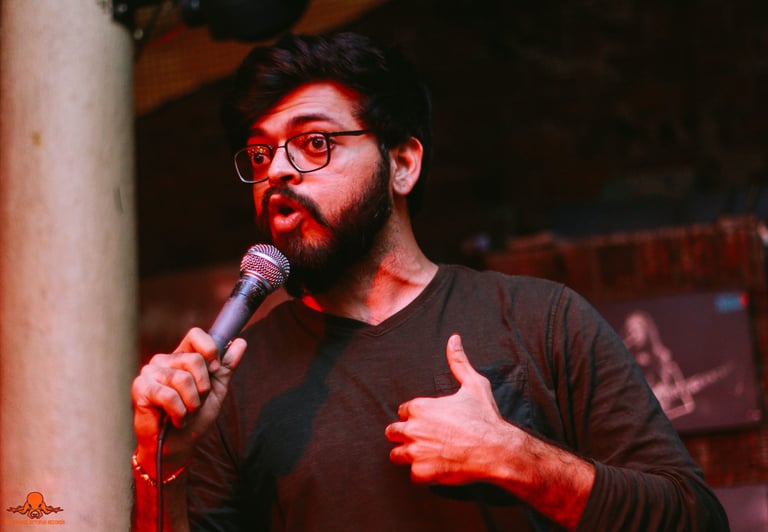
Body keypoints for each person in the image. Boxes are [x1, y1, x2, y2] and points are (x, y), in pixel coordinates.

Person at [131, 32, 729, 531]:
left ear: (403, 163)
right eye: (260, 155)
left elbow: (695, 518)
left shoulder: (541, 320)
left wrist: (517, 458)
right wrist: (168, 464)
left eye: (314, 142)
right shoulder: (233, 384)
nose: (279, 169)